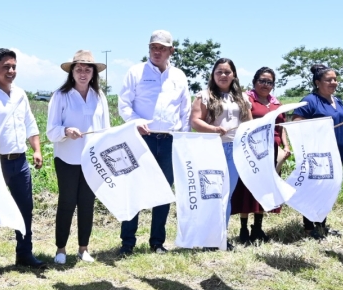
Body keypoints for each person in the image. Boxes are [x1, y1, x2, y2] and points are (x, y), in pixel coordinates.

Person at [117, 30, 191, 255]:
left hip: (169, 140)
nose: (156, 51)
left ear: (171, 51)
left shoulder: (179, 76)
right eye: (153, 47)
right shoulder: (136, 72)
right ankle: (127, 242)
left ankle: (157, 242)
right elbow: (124, 104)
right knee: (134, 188)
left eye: (161, 48)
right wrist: (136, 122)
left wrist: (183, 138)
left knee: (163, 191)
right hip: (142, 138)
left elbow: (185, 110)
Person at [0, 48, 44, 277]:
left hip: (19, 161)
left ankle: (24, 254)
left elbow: (30, 124)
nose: (11, 71)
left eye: (14, 67)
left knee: (26, 208)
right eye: (6, 67)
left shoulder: (20, 94)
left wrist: (37, 150)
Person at [46, 50, 111, 264]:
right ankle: (61, 249)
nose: (83, 73)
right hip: (67, 158)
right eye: (79, 69)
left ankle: (83, 248)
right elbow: (51, 131)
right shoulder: (61, 95)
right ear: (71, 72)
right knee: (67, 202)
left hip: (91, 159)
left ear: (93, 73)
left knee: (87, 203)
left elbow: (106, 129)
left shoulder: (99, 96)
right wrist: (66, 131)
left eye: (87, 69)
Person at [190, 58, 253, 245]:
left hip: (235, 150)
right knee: (212, 194)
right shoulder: (204, 96)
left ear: (234, 75)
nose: (223, 75)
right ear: (213, 75)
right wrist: (214, 129)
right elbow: (195, 121)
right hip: (212, 150)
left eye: (227, 72)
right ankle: (206, 236)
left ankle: (220, 236)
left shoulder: (242, 97)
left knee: (227, 194)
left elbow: (249, 122)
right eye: (219, 72)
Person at [230, 67, 291, 244]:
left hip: (272, 151)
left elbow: (281, 126)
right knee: (247, 189)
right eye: (262, 81)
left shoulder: (276, 103)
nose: (265, 85)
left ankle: (257, 228)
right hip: (252, 152)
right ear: (254, 82)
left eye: (269, 82)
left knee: (266, 188)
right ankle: (243, 229)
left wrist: (285, 146)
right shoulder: (246, 99)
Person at [292, 64, 343, 239]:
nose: (334, 82)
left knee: (328, 190)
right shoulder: (309, 101)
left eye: (335, 79)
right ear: (318, 82)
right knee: (314, 189)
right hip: (318, 156)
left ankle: (322, 225)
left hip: (338, 153)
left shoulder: (338, 101)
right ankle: (309, 228)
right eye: (329, 79)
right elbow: (296, 123)